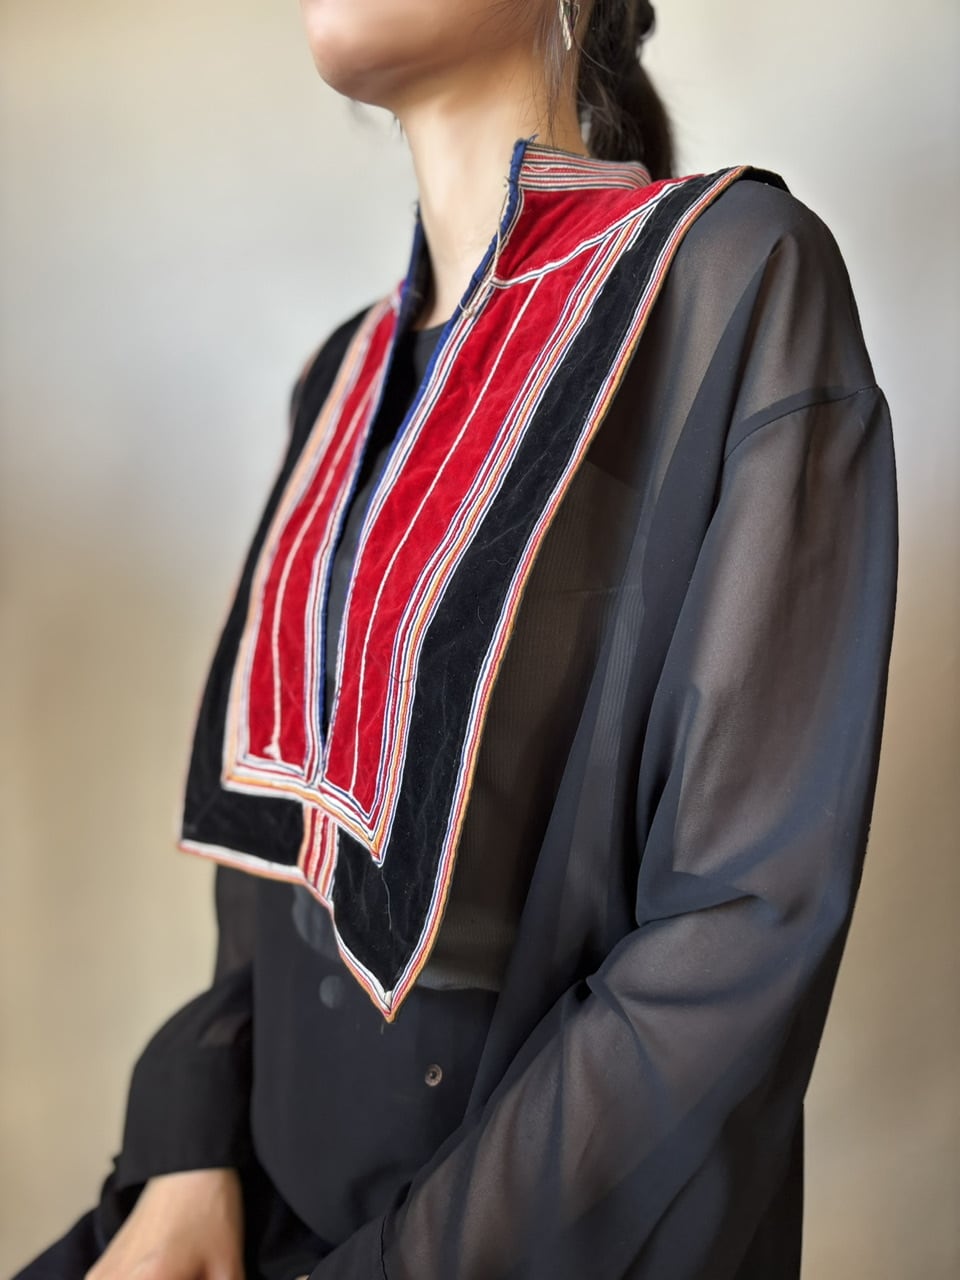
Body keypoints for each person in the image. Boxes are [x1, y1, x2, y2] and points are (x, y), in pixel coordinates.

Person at [14, 1, 899, 1277]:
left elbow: (740, 924)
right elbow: (278, 862)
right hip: (247, 1205)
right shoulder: (341, 378)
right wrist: (184, 1151)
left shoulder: (736, 282)